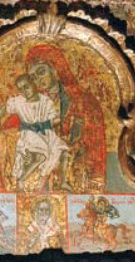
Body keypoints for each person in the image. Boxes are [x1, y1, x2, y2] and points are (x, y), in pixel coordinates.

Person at [25, 44, 107, 191]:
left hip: (73, 158)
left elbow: (91, 136)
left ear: (55, 70)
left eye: (41, 72)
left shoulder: (81, 99)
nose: (38, 79)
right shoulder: (34, 102)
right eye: (33, 77)